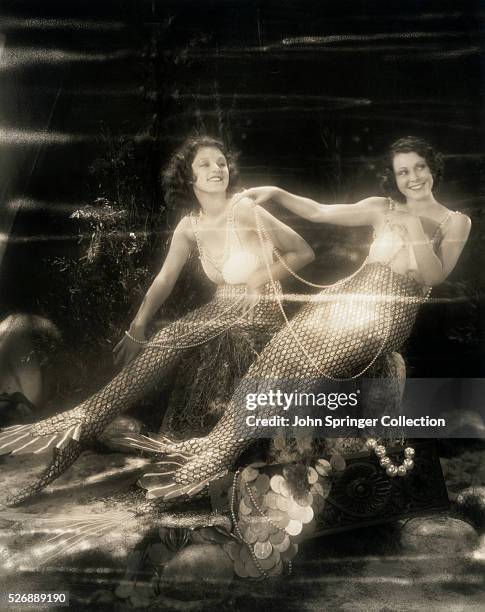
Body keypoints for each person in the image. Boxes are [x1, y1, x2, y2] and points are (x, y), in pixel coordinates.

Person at [133, 136, 471, 501]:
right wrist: (277, 192)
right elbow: (318, 212)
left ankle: (222, 451)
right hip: (347, 294)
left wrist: (416, 231)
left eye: (419, 167)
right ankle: (219, 440)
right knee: (280, 351)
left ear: (432, 168)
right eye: (403, 171)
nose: (413, 177)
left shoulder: (455, 222)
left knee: (312, 364)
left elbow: (435, 277)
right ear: (394, 176)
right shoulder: (381, 207)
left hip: (388, 311)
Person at [0, 135, 314, 504]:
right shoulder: (190, 226)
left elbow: (302, 252)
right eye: (205, 164)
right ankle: (77, 432)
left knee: (178, 338)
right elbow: (164, 280)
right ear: (188, 178)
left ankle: (88, 421)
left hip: (257, 313)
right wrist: (138, 326)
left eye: (221, 162)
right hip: (219, 312)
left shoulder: (245, 209)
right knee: (165, 339)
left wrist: (257, 280)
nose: (217, 169)